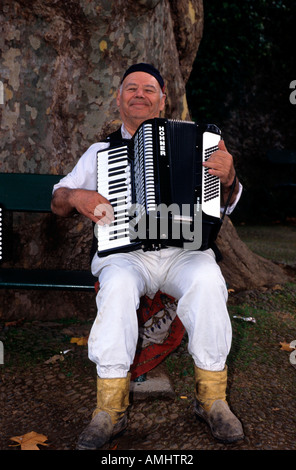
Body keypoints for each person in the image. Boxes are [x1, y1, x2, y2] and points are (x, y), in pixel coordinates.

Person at [51, 63, 244, 449]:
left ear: (162, 99)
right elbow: (58, 199)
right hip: (126, 254)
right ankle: (110, 408)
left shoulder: (197, 142)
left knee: (208, 282)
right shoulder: (100, 152)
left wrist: (229, 177)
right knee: (118, 285)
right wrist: (76, 196)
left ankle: (212, 399)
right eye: (131, 88)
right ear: (119, 98)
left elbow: (226, 205)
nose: (139, 94)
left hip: (183, 252)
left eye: (149, 89)